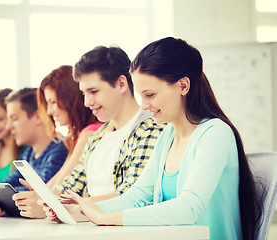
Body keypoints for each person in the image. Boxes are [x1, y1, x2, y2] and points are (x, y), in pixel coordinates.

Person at [42, 37, 262, 240]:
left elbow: (189, 208)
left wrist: (107, 218)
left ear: (183, 86)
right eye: (141, 95)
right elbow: (137, 196)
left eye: (150, 95)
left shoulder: (215, 133)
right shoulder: (168, 135)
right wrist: (79, 211)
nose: (144, 105)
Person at [0, 46, 164, 219]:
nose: (87, 102)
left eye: (94, 91)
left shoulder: (149, 129)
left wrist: (59, 205)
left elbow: (131, 198)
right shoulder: (97, 136)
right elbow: (69, 186)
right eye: (84, 93)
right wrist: (41, 201)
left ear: (121, 84)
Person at [0, 88, 69, 212]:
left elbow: (40, 193)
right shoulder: (29, 153)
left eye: (14, 119)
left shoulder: (59, 150)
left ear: (37, 117)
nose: (9, 126)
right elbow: (8, 183)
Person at [38, 65, 102, 188]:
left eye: (53, 102)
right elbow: (52, 188)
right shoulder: (76, 136)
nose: (49, 111)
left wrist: (36, 199)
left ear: (70, 98)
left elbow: (60, 187)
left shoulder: (90, 132)